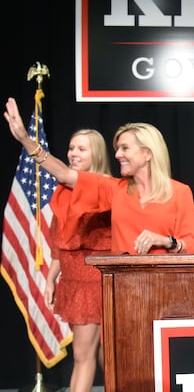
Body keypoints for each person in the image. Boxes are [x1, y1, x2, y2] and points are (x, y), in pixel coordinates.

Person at [4, 97, 194, 255]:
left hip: (167, 288)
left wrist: (165, 241)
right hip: (123, 290)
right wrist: (26, 140)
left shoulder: (179, 192)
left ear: (147, 153)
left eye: (125, 148)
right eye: (117, 149)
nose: (117, 155)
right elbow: (64, 174)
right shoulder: (115, 189)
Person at [45, 129, 112, 392]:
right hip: (73, 281)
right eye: (72, 148)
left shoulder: (106, 187)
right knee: (97, 356)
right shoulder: (63, 192)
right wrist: (51, 277)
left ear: (96, 152)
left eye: (81, 149)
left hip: (94, 283)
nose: (73, 153)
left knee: (85, 358)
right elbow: (60, 243)